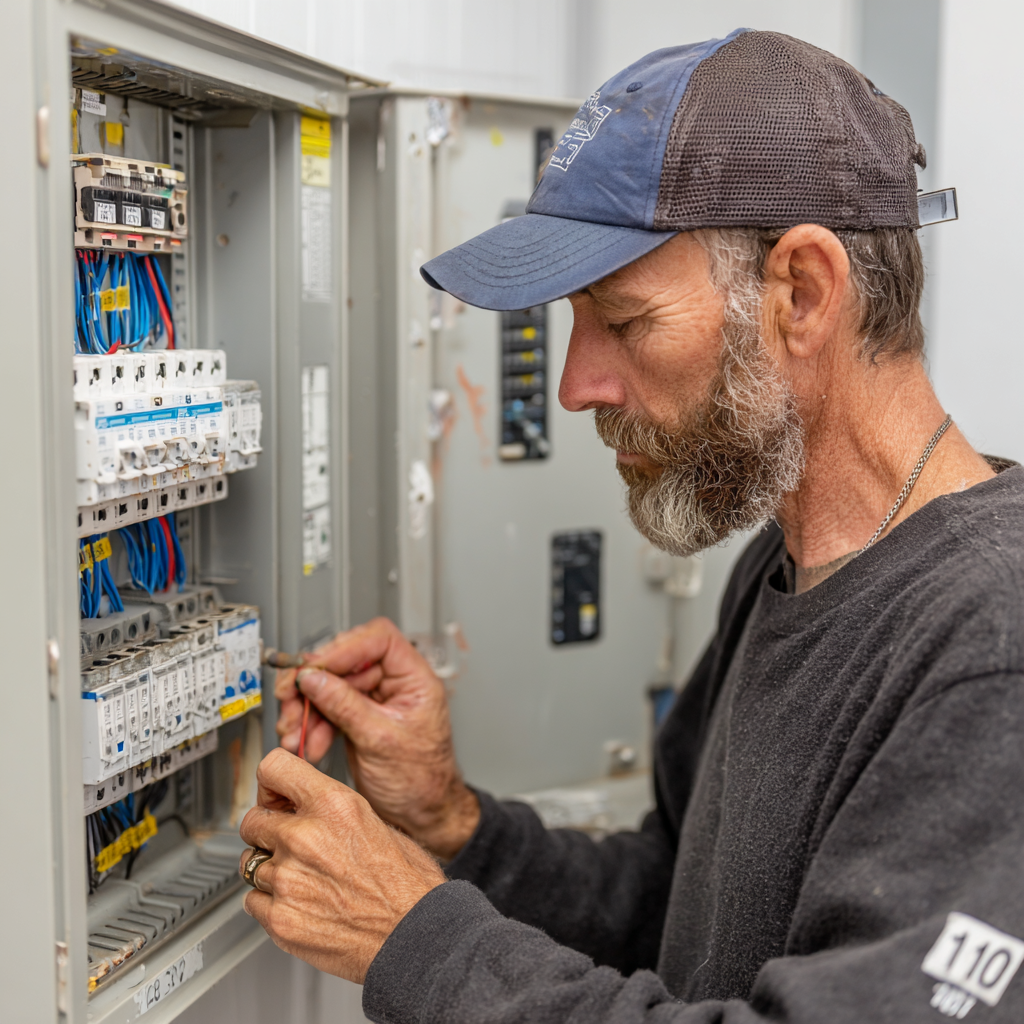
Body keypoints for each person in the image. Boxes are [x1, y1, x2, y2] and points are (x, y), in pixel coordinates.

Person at [237, 29, 1024, 1023]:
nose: (575, 384)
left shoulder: (993, 646)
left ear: (804, 292)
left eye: (624, 318)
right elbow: (673, 912)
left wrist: (419, 941)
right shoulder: (787, 566)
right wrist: (455, 823)